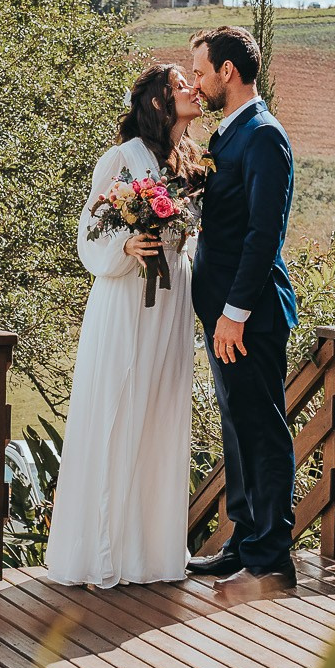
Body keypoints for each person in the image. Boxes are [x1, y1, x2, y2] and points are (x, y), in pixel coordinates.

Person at [44, 64, 207, 586]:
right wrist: (127, 243)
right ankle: (104, 551)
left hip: (172, 300)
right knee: (118, 408)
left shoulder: (190, 162)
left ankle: (151, 554)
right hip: (127, 299)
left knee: (160, 412)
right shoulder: (123, 158)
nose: (193, 89)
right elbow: (89, 234)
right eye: (180, 85)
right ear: (159, 102)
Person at [183, 25, 299, 597]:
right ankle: (244, 540)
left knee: (262, 430)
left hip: (248, 316)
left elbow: (263, 235)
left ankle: (272, 558)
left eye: (200, 72)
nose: (196, 83)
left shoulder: (263, 137)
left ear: (227, 71)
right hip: (224, 314)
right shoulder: (228, 135)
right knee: (237, 428)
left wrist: (234, 313)